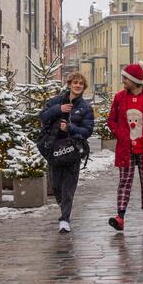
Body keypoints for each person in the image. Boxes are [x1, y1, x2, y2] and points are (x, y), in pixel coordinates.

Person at [106, 63, 143, 231]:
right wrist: (120, 133)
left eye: (125, 78)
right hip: (126, 148)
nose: (123, 81)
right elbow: (111, 120)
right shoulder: (119, 97)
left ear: (134, 80)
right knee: (125, 181)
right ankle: (120, 216)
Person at [39, 72, 94, 234]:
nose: (78, 86)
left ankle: (64, 219)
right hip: (55, 148)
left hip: (73, 150)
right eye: (75, 83)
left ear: (83, 87)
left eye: (81, 84)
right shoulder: (56, 101)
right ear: (69, 84)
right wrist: (58, 109)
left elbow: (88, 130)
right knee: (56, 186)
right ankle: (64, 207)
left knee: (69, 187)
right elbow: (42, 117)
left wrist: (70, 128)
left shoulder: (85, 107)